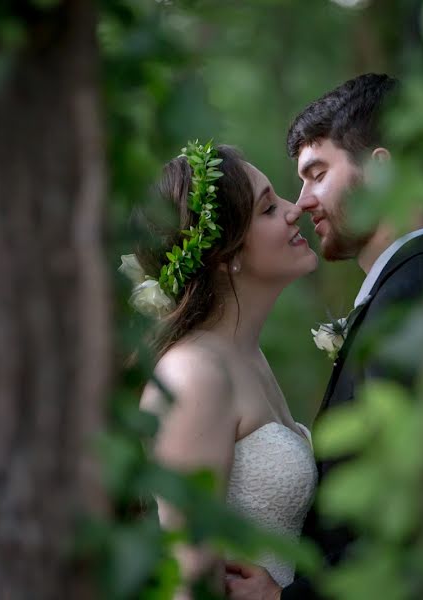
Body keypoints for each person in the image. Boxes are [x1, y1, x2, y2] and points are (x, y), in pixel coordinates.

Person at [224, 73, 423, 600]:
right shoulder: (401, 290)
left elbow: (410, 514)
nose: (301, 203)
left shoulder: (417, 293)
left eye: (316, 174)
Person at [122, 141, 319, 599]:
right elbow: (189, 581)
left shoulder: (247, 356)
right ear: (224, 254)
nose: (296, 210)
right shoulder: (194, 376)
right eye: (269, 209)